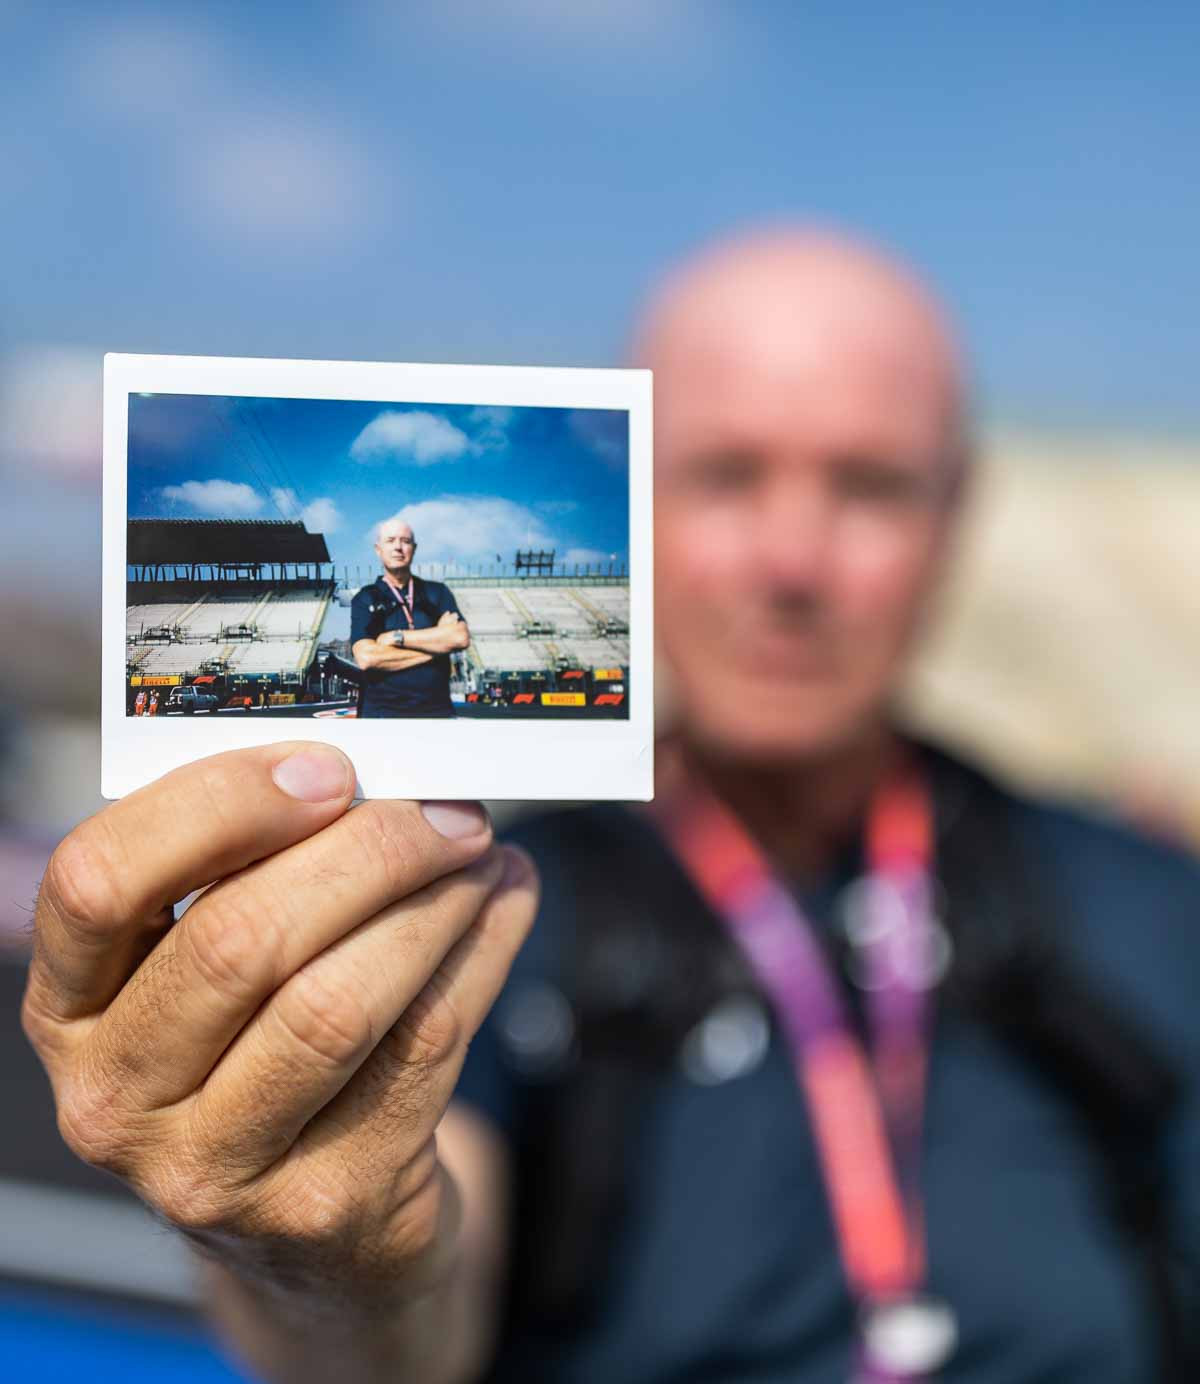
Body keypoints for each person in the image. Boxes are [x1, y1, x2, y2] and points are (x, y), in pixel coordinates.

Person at [22, 228, 1200, 1384]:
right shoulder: (479, 904)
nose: (793, 562)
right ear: (630, 499)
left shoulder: (1147, 911)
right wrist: (313, 1253)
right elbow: (401, 1327)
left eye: (870, 485)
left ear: (953, 517)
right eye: (725, 474)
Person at [350, 515, 471, 718]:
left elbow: (460, 637)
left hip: (437, 714)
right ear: (378, 549)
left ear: (414, 548)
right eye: (390, 540)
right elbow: (367, 658)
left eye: (405, 541)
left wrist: (398, 638)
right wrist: (438, 648)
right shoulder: (366, 598)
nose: (398, 547)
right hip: (382, 716)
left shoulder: (437, 593)